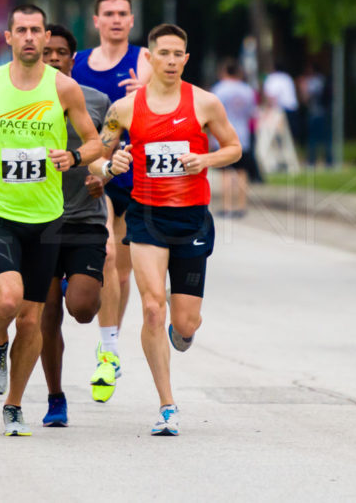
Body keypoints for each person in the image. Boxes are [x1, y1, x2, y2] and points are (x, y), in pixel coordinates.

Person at [0, 4, 102, 436]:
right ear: (9, 38)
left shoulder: (65, 88)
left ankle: (14, 404)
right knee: (10, 300)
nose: (31, 37)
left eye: (38, 30)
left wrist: (73, 156)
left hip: (48, 215)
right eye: (23, 30)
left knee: (33, 321)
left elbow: (95, 143)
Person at [92, 23, 241, 436]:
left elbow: (234, 147)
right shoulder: (124, 109)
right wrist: (109, 166)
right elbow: (95, 158)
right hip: (146, 218)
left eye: (179, 54)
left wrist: (205, 161)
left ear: (186, 59)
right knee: (153, 307)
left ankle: (184, 330)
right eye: (164, 54)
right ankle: (167, 405)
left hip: (191, 217)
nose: (172, 61)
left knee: (186, 322)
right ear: (150, 58)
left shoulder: (205, 103)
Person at [70, 0, 150, 399]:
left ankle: (109, 346)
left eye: (123, 13)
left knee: (122, 269)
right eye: (109, 13)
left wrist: (147, 97)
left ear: (132, 21)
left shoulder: (146, 63)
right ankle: (110, 349)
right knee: (108, 254)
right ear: (96, 21)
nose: (117, 20)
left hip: (133, 171)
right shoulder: (78, 64)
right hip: (94, 172)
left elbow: (170, 108)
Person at [38, 24, 113, 425]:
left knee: (82, 308)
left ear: (73, 57)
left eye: (61, 52)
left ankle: (77, 283)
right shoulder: (19, 98)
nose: (53, 59)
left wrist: (104, 177)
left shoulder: (97, 100)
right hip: (39, 218)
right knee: (48, 313)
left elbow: (109, 152)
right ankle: (55, 397)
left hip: (84, 216)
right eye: (47, 52)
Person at [211, 58, 258, 218]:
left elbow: (212, 112)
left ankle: (227, 206)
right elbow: (252, 112)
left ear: (224, 72)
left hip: (222, 135)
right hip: (242, 135)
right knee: (242, 172)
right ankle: (241, 206)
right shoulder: (247, 90)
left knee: (226, 172)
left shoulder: (219, 89)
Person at [298, 62, 332, 168]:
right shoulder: (320, 80)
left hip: (317, 113)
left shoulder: (314, 82)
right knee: (319, 138)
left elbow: (306, 98)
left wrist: (302, 87)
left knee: (316, 138)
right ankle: (325, 160)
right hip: (317, 113)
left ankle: (319, 160)